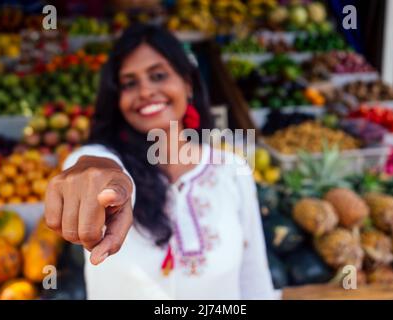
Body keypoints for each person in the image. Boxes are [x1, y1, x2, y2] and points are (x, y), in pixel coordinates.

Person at [44, 24, 274, 299]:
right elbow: (90, 167)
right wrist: (97, 174)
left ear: (188, 85)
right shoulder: (102, 164)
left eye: (158, 75)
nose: (145, 91)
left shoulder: (233, 171)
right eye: (129, 83)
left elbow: (255, 283)